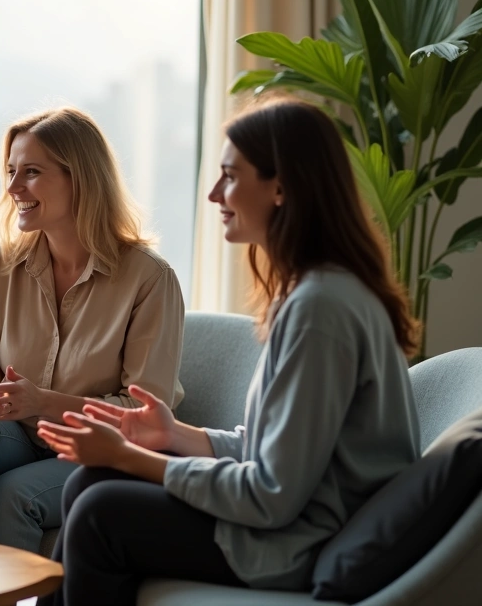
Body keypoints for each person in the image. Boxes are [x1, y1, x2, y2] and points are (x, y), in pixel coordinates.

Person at [35, 98, 422, 604]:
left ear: (281, 188)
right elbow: (274, 451)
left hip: (302, 542)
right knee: (90, 481)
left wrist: (130, 456)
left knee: (98, 514)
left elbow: (271, 495)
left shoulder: (320, 310)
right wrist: (176, 435)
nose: (215, 193)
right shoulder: (315, 293)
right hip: (295, 519)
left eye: (231, 177)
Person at [0, 106, 185, 552]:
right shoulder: (0, 263)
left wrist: (44, 402)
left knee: (14, 495)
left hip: (103, 449)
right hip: (20, 438)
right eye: (11, 171)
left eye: (31, 172)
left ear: (81, 179)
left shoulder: (149, 278)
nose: (13, 187)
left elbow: (143, 414)